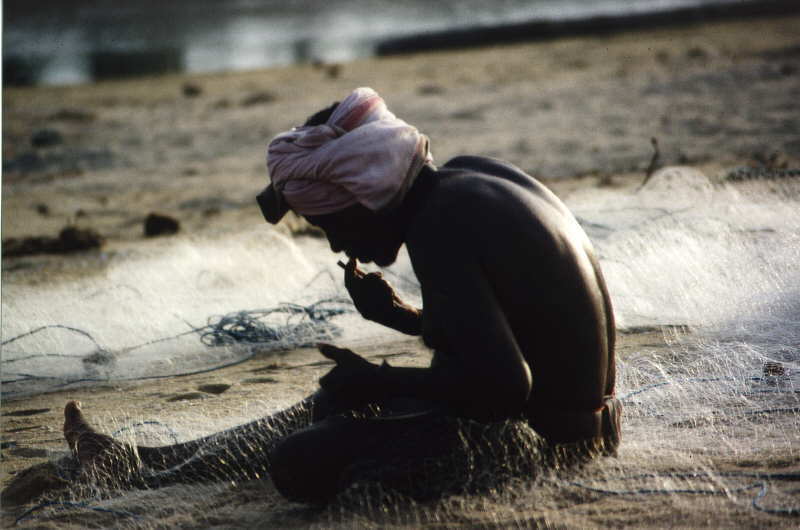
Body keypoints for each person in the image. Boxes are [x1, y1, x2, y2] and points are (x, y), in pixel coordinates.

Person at [63, 87, 620, 504]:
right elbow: (507, 333)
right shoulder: (466, 182)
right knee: (335, 402)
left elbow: (501, 388)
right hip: (585, 424)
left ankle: (142, 466)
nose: (335, 241)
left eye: (329, 223)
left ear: (362, 195)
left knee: (299, 460)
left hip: (548, 446)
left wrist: (377, 379)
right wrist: (403, 320)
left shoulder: (439, 225)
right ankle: (139, 462)